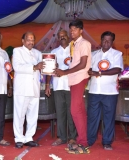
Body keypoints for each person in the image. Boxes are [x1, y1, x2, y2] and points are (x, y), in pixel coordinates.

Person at [55, 20, 91, 154]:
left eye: (75, 29)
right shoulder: (72, 45)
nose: (72, 32)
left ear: (81, 30)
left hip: (79, 78)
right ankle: (82, 141)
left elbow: (82, 64)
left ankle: (83, 143)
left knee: (75, 110)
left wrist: (64, 72)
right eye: (71, 29)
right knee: (79, 110)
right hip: (73, 80)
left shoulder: (84, 43)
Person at [87, 31, 123, 150]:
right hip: (94, 90)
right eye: (104, 40)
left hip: (110, 92)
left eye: (109, 40)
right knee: (92, 117)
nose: (106, 42)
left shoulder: (117, 54)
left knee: (108, 117)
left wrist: (99, 73)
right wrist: (90, 71)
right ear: (101, 40)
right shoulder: (94, 54)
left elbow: (117, 69)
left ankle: (107, 141)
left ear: (112, 42)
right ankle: (90, 140)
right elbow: (89, 69)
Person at [45, 30, 77, 146]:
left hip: (71, 85)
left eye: (64, 36)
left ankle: (72, 137)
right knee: (60, 112)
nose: (62, 38)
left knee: (71, 112)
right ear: (57, 39)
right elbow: (48, 70)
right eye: (60, 36)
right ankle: (61, 137)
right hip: (58, 86)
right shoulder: (54, 52)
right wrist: (48, 85)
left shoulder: (74, 50)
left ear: (68, 37)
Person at [13, 32, 44, 149]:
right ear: (23, 41)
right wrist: (35, 67)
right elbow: (17, 67)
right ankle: (19, 138)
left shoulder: (38, 53)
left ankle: (29, 137)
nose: (31, 42)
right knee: (19, 114)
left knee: (32, 115)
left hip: (34, 88)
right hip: (22, 89)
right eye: (28, 39)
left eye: (32, 39)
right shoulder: (17, 51)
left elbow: (44, 67)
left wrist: (50, 66)